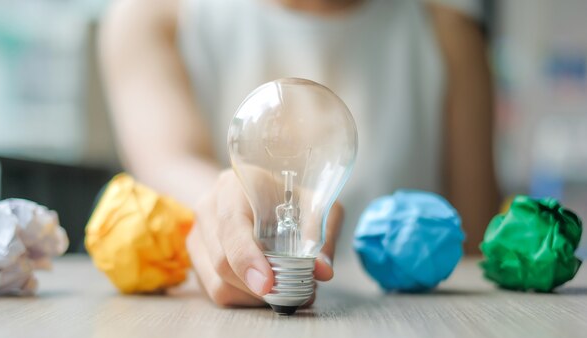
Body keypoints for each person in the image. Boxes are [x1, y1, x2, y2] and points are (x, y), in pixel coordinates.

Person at [99, 0, 498, 307]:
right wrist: (240, 212)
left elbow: (471, 244)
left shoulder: (447, 32)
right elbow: (169, 163)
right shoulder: (154, 16)